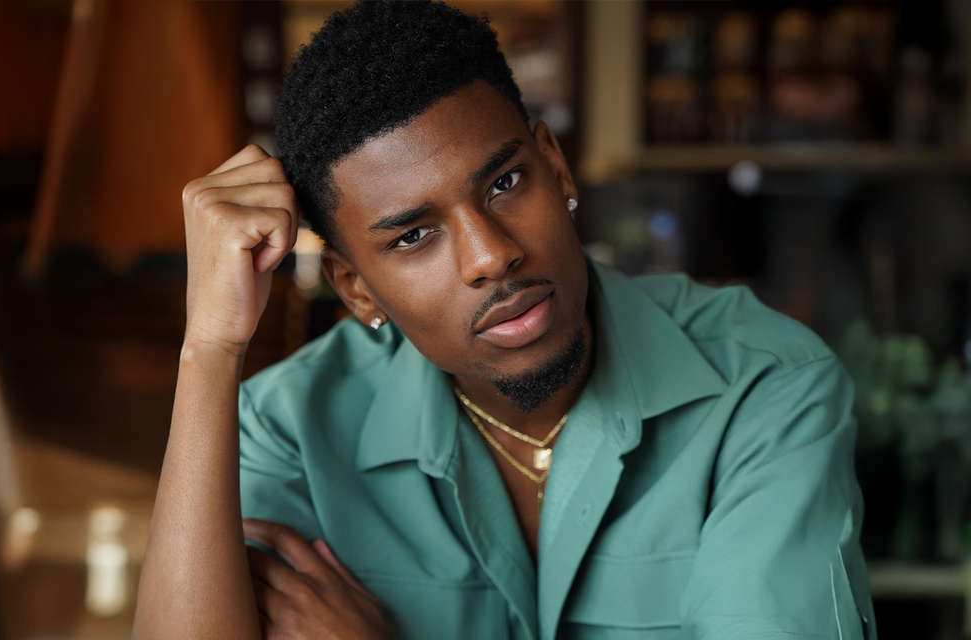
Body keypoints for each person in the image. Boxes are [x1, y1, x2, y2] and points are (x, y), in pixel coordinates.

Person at [133, 1, 876, 639]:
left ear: (556, 168)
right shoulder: (289, 426)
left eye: (506, 182)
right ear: (357, 289)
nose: (492, 256)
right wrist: (209, 347)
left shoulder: (763, 390)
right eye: (414, 235)